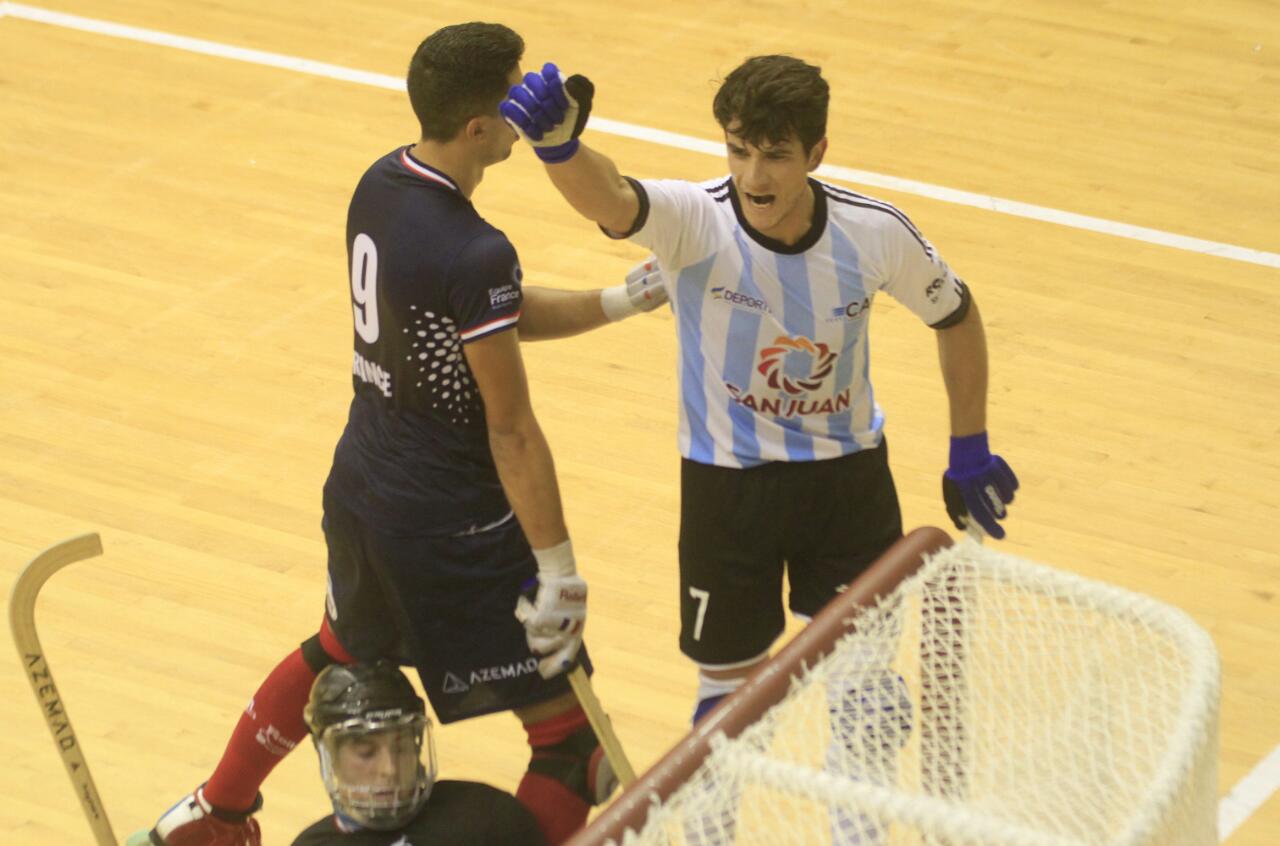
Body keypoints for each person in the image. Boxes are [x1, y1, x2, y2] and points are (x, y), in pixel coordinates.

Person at [135, 23, 666, 846]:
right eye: (514, 95)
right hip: (451, 527)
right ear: (480, 129)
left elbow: (474, 319)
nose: (526, 107)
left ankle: (218, 809)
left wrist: (615, 301)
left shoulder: (380, 184)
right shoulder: (475, 250)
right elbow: (511, 429)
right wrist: (558, 568)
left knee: (341, 645)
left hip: (363, 491)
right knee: (573, 745)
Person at [500, 55, 1018, 726]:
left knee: (866, 699)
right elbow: (614, 199)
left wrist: (969, 445)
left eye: (775, 156)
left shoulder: (874, 232)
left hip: (846, 481)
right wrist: (560, 151)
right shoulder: (697, 220)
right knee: (726, 706)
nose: (753, 177)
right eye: (739, 151)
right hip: (726, 486)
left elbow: (955, 315)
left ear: (816, 153)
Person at [291, 661, 546, 845]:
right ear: (329, 757)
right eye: (366, 752)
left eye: (401, 748)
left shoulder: (488, 818)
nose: (389, 770)